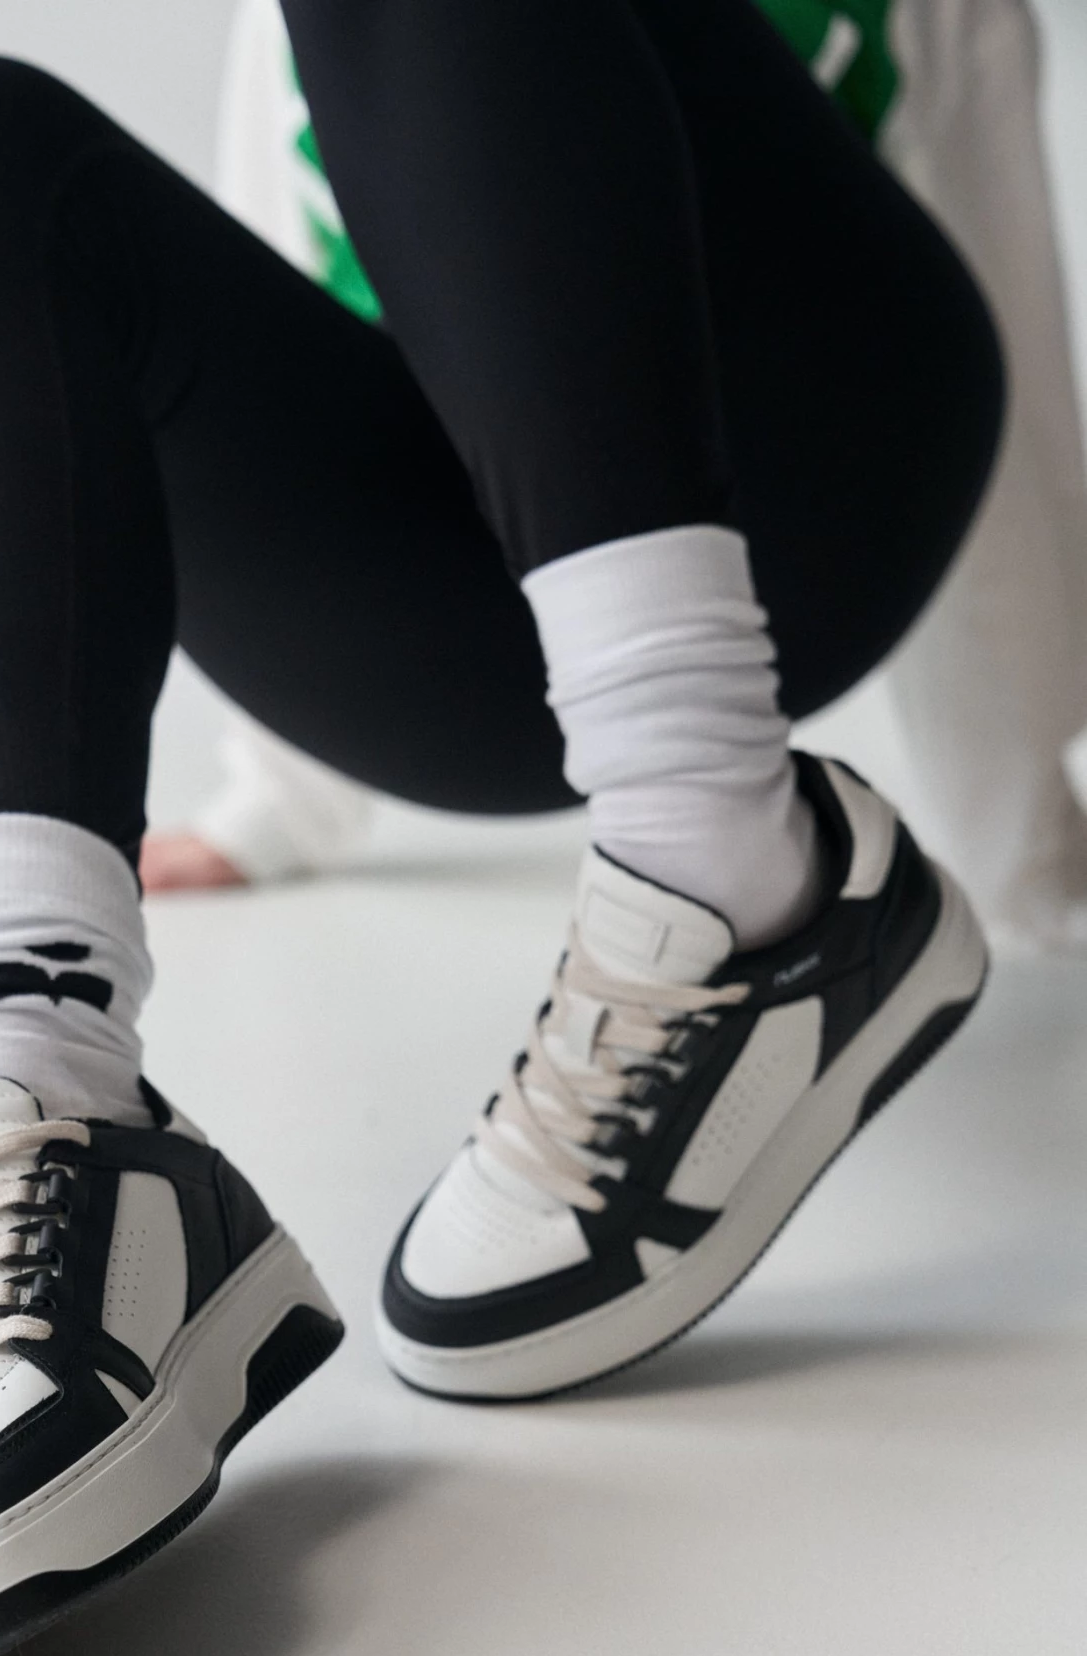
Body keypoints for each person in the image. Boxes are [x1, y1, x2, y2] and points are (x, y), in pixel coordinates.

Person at [0, 0, 1000, 1656]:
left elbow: (982, 184)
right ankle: (43, 1095)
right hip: (479, 600)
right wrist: (280, 803)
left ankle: (735, 864)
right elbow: (282, 234)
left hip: (826, 461)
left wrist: (1035, 819)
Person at [148, 0, 1087, 955]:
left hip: (785, 559)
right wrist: (281, 801)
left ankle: (718, 826)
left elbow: (984, 354)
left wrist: (1023, 840)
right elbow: (280, 316)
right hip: (468, 593)